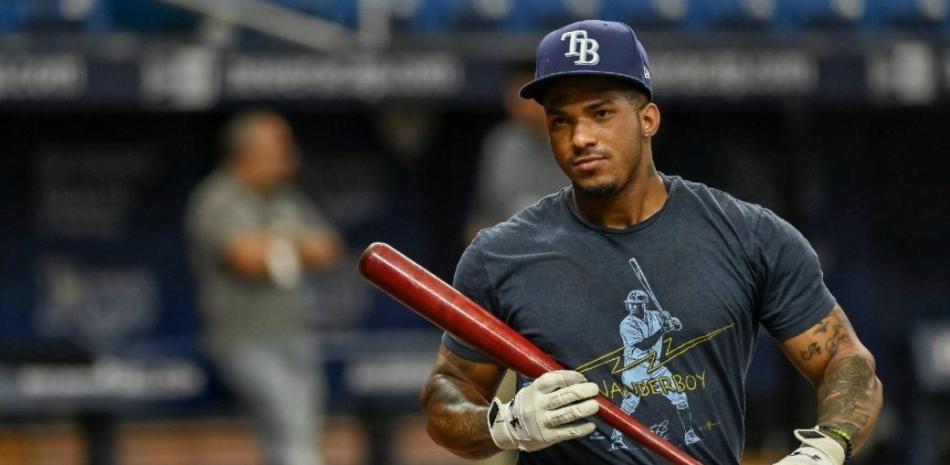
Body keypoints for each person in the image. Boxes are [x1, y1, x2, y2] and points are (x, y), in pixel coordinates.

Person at [420, 20, 882, 465]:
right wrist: (505, 425)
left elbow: (844, 358)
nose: (580, 138)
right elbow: (449, 391)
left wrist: (826, 448)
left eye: (601, 113)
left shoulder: (750, 236)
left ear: (647, 119)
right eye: (561, 121)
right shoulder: (502, 254)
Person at [185, 110, 343, 465]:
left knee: (299, 437)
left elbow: (328, 247)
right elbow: (245, 259)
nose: (290, 157)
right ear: (248, 152)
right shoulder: (219, 197)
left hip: (296, 335)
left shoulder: (285, 198)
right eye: (279, 148)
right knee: (291, 434)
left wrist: (274, 245)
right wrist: (293, 245)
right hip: (243, 340)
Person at [466, 68, 568, 239]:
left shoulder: (574, 139)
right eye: (513, 98)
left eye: (525, 97)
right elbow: (484, 211)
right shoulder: (502, 140)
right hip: (509, 241)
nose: (519, 105)